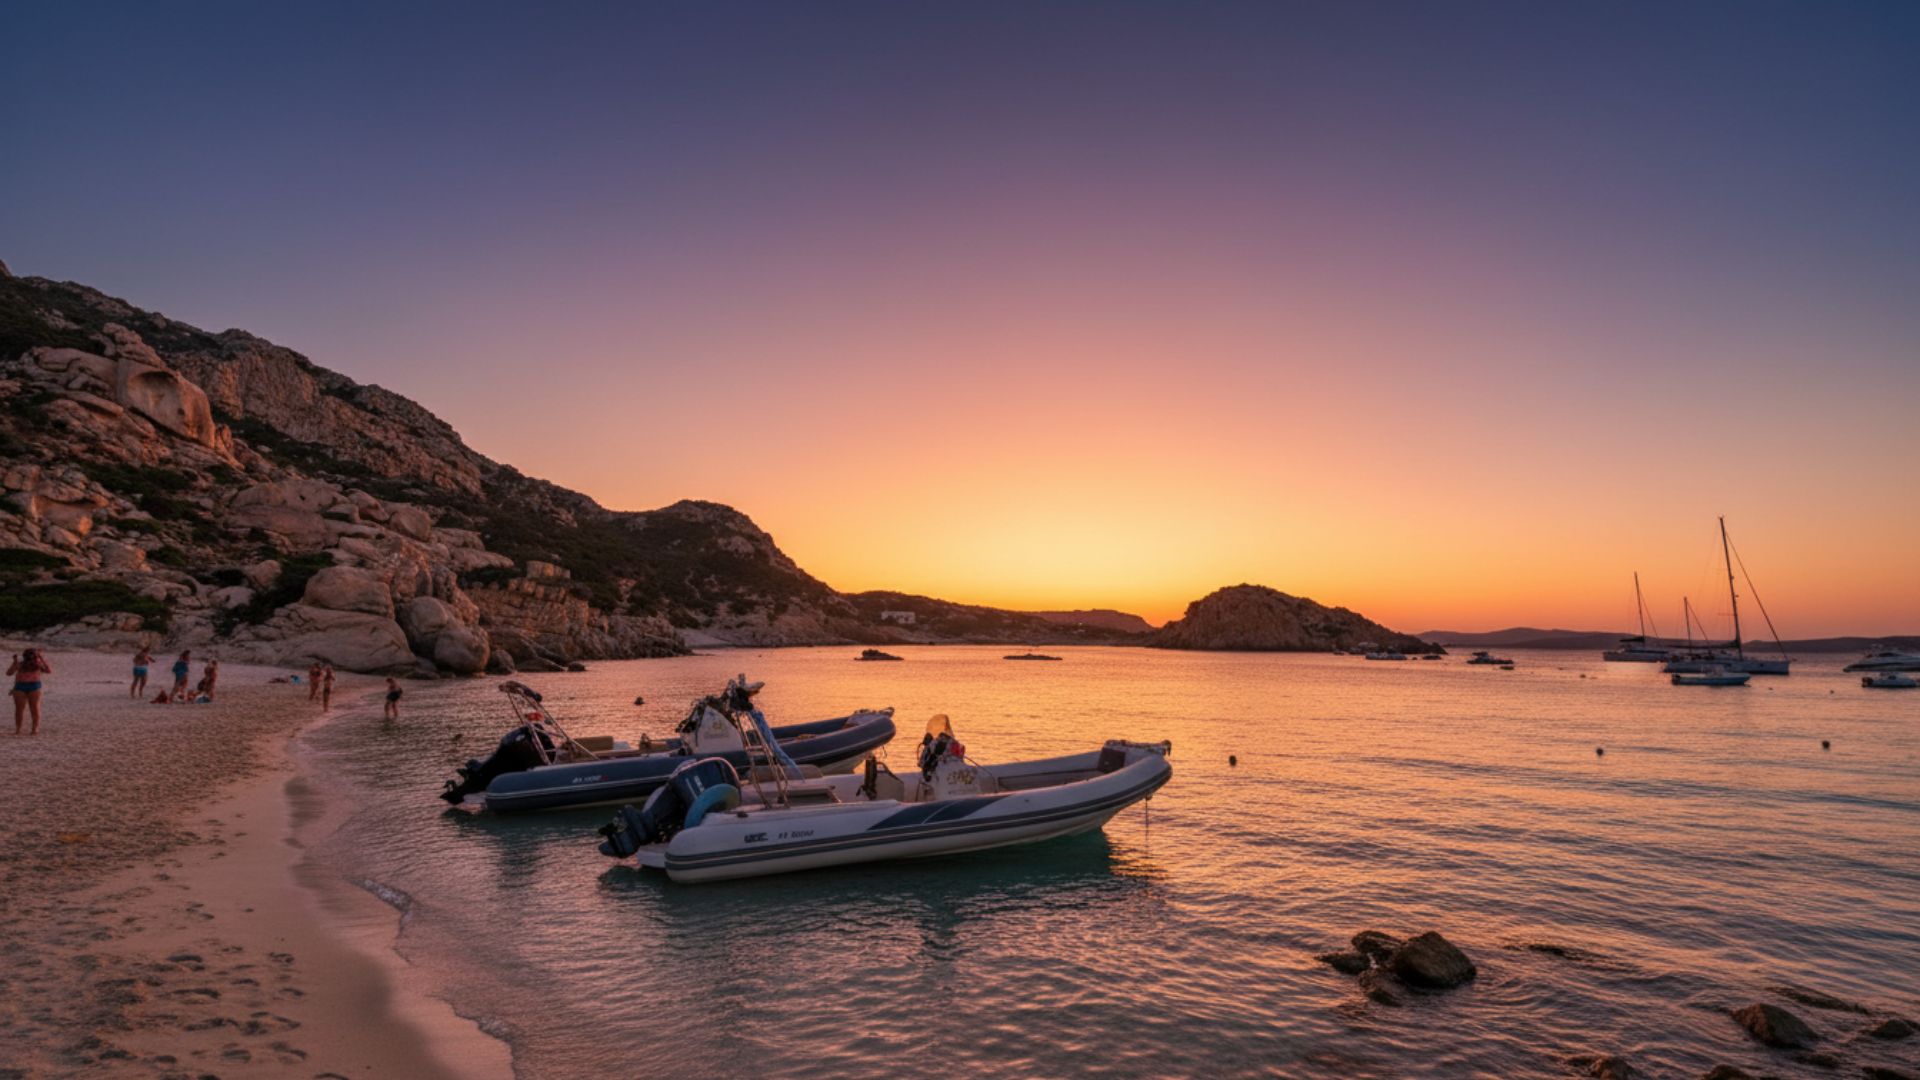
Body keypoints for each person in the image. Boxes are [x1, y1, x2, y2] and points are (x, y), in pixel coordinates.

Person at [9, 648, 51, 735]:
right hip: (20, 687)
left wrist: (41, 658)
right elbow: (9, 673)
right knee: (20, 709)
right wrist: (14, 662)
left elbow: (48, 671)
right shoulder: (20, 664)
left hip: (34, 687)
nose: (30, 657)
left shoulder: (38, 665)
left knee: (34, 709)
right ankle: (18, 729)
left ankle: (34, 729)